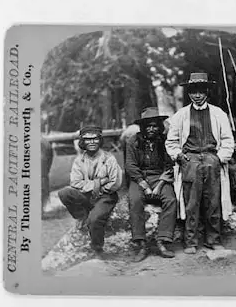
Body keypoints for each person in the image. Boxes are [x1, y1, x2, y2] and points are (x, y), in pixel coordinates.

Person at [165, 72, 235, 254]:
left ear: (207, 91)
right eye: (193, 91)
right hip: (190, 159)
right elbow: (171, 142)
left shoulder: (218, 114)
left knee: (213, 202)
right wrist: (179, 156)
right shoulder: (180, 115)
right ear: (189, 93)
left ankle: (214, 240)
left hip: (212, 159)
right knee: (192, 202)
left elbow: (228, 141)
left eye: (201, 91)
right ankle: (191, 241)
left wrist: (219, 158)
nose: (197, 95)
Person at [58, 126, 123, 257]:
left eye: (95, 139)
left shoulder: (109, 158)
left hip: (106, 196)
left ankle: (97, 248)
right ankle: (81, 216)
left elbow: (115, 183)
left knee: (94, 220)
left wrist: (100, 188)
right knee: (64, 193)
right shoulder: (79, 161)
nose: (92, 142)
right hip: (86, 196)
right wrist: (99, 182)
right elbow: (75, 183)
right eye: (88, 140)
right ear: (82, 142)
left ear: (100, 140)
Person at [125, 107, 177, 261]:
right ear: (143, 127)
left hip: (160, 176)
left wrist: (160, 185)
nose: (152, 129)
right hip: (139, 177)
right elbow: (131, 166)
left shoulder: (166, 141)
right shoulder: (132, 141)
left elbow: (170, 165)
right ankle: (141, 244)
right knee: (134, 201)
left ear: (160, 126)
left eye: (155, 125)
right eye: (148, 126)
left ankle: (162, 241)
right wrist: (145, 186)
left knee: (171, 200)